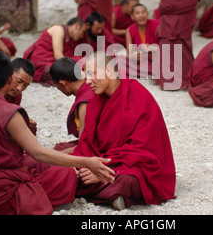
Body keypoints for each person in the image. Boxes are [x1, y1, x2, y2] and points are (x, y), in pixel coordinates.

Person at [0, 51, 115, 215]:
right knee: (65, 173)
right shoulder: (8, 112)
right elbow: (38, 153)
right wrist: (87, 162)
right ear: (10, 79)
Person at [73, 52, 176, 210]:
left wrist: (101, 169)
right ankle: (109, 195)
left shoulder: (140, 96)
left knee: (129, 179)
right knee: (68, 166)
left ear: (108, 71)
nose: (87, 82)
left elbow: (143, 149)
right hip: (105, 161)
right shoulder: (95, 103)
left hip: (127, 163)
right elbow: (88, 142)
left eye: (91, 74)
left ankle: (99, 191)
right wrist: (89, 164)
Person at [23, 17, 87, 86]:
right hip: (43, 62)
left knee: (82, 60)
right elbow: (58, 56)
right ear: (76, 26)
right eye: (82, 32)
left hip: (56, 61)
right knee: (54, 71)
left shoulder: (69, 37)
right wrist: (74, 70)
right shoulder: (58, 29)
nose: (82, 36)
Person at [49, 57, 95, 153]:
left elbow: (84, 148)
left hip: (100, 149)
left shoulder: (84, 103)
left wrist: (53, 156)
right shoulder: (92, 83)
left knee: (46, 161)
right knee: (60, 147)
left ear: (63, 83)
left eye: (56, 86)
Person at [125, 3, 160, 78]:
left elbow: (167, 48)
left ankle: (146, 72)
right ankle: (148, 72)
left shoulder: (157, 25)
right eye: (137, 13)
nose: (141, 15)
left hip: (156, 60)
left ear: (147, 14)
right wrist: (134, 56)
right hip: (141, 62)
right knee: (120, 61)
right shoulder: (130, 30)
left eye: (143, 12)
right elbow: (129, 54)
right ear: (132, 16)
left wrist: (152, 48)